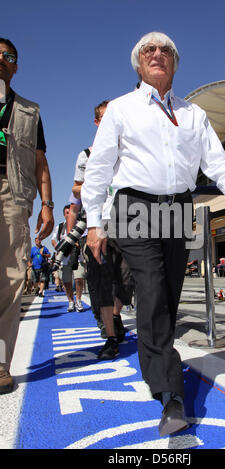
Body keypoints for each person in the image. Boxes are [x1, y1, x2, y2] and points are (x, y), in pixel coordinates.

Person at [81, 31, 225, 437]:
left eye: (166, 51)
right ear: (138, 64)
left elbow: (216, 158)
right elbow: (100, 168)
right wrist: (93, 222)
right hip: (134, 206)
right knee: (153, 290)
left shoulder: (194, 114)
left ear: (175, 63)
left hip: (176, 207)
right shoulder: (121, 109)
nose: (158, 54)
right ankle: (171, 393)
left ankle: (155, 362)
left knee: (168, 296)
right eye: (148, 50)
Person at [0, 38, 54, 394]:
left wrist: (47, 204)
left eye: (9, 57)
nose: (2, 60)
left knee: (10, 279)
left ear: (17, 66)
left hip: (12, 194)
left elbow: (39, 161)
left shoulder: (29, 111)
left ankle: (1, 365)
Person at [69, 101, 133, 358]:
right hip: (98, 224)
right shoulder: (87, 154)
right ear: (97, 123)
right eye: (105, 119)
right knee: (102, 283)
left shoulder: (129, 150)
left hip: (128, 222)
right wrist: (97, 183)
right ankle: (109, 337)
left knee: (129, 280)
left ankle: (116, 315)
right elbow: (76, 189)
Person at [51, 204, 85, 312]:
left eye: (70, 212)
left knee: (79, 278)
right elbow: (53, 240)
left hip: (78, 257)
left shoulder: (80, 225)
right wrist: (61, 249)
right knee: (66, 281)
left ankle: (78, 300)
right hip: (65, 259)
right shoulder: (60, 227)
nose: (68, 215)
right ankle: (71, 301)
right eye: (66, 213)